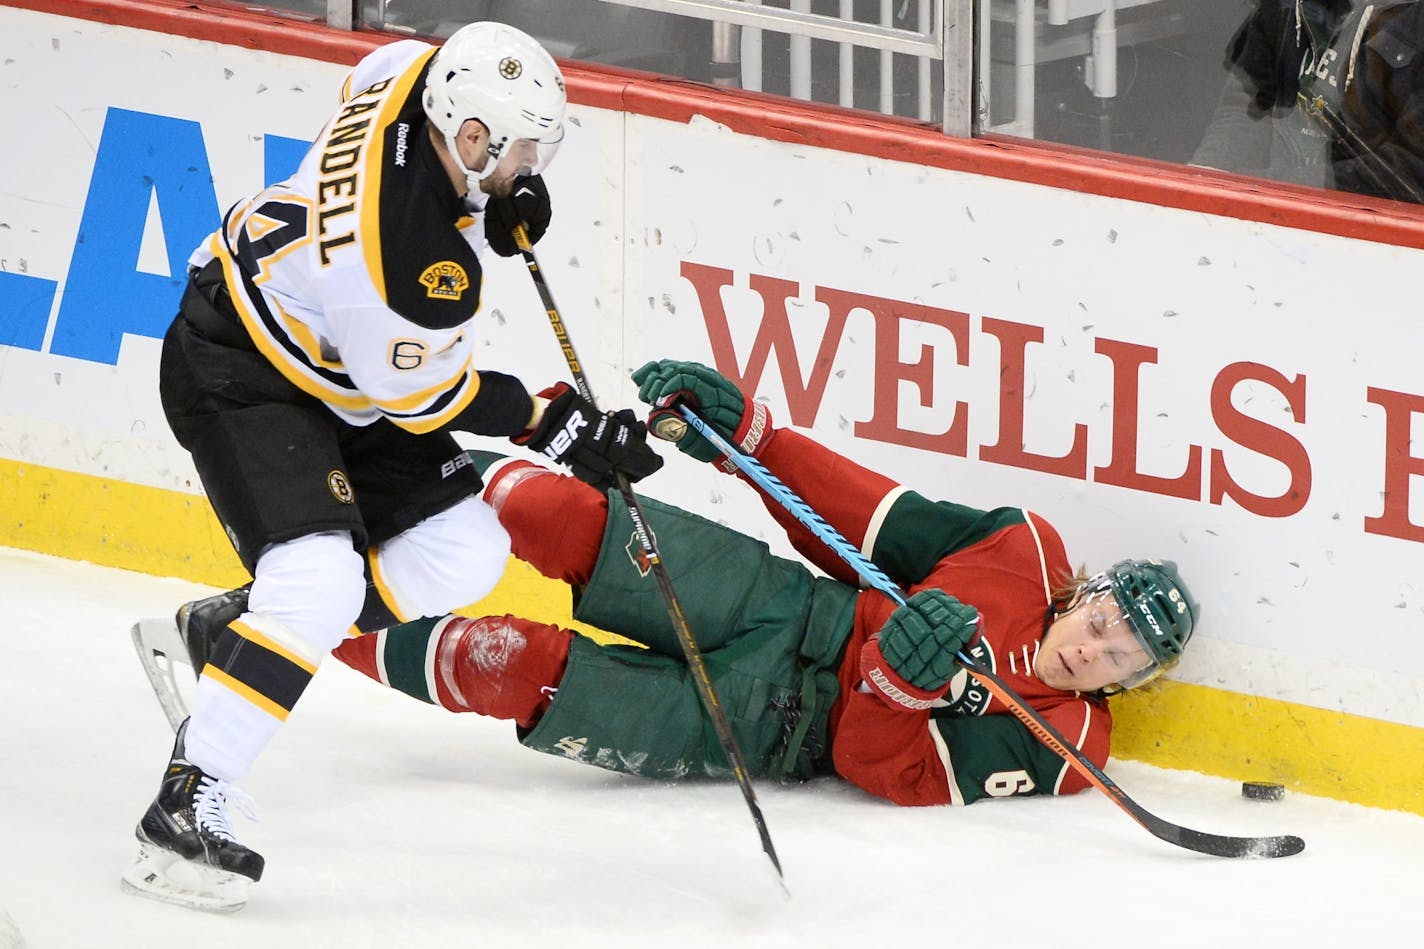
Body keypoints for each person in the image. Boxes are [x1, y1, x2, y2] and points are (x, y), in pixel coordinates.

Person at [123, 22, 662, 912]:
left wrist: (485, 209)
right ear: (473, 136)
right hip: (242, 369)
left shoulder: (408, 72)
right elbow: (422, 399)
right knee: (319, 581)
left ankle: (231, 636)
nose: (533, 163)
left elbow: (376, 108)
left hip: (329, 354)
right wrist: (552, 423)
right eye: (521, 148)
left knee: (465, 550)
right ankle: (180, 807)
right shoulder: (412, 267)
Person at [327, 358, 1197, 807]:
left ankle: (304, 624)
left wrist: (895, 686)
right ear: (1085, 593)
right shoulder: (1023, 550)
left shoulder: (1069, 745)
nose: (1093, 651)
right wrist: (755, 441)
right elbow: (867, 518)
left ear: (1128, 684)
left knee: (506, 662)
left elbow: (872, 764)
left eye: (1120, 658)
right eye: (1105, 621)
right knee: (561, 513)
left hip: (777, 726)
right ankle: (353, 461)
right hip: (780, 600)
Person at [1191, 1, 1424, 203]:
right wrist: (1207, 174)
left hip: (1370, 229)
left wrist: (1278, 188)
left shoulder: (1412, 16)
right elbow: (1246, 105)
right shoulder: (1283, 7)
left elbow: (1412, 168)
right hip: (1265, 209)